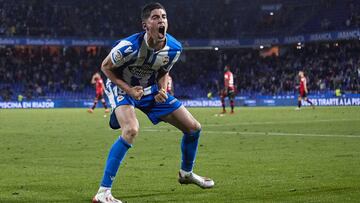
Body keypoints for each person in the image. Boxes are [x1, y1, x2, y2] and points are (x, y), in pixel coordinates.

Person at [92, 3, 214, 203]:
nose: (161, 21)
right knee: (131, 129)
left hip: (149, 90)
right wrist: (129, 89)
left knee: (193, 128)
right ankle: (103, 192)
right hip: (122, 88)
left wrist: (163, 90)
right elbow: (105, 67)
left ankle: (186, 173)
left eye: (164, 17)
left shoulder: (174, 48)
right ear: (145, 25)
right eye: (156, 17)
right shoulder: (128, 47)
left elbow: (164, 71)